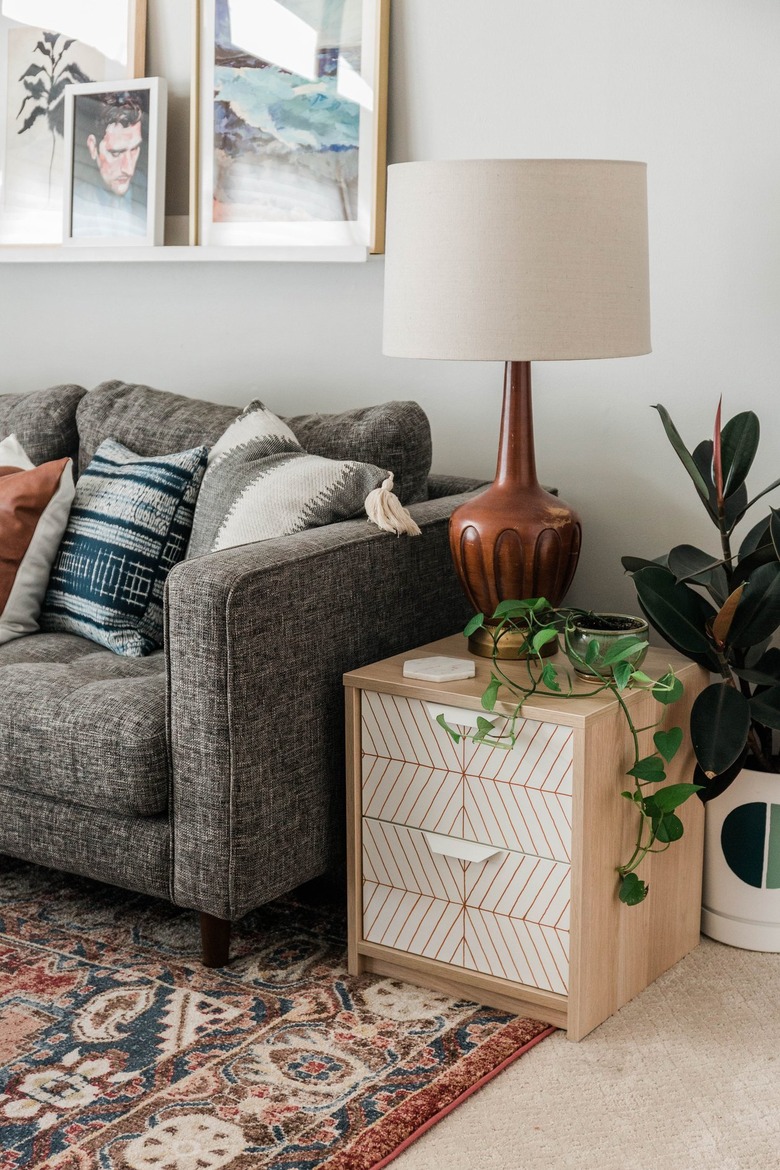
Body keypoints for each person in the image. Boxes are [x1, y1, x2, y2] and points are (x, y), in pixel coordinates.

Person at [70, 91, 148, 240]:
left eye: (134, 150)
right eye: (116, 153)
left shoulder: (149, 192)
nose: (128, 168)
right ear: (93, 147)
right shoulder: (73, 203)